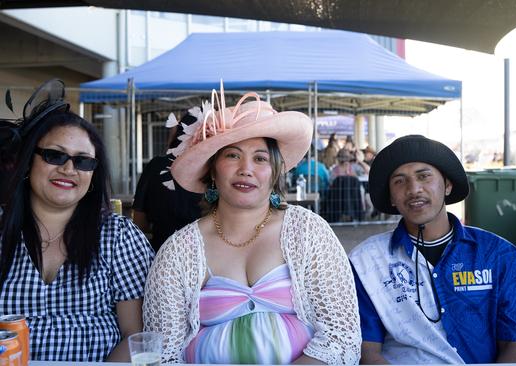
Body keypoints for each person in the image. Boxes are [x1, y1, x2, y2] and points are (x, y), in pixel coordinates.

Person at [142, 88, 361, 364]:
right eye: (232, 155)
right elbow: (163, 352)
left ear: (276, 171)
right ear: (212, 169)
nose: (246, 169)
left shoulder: (306, 232)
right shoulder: (179, 250)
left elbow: (341, 337)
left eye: (260, 158)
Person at [0, 79, 154, 361]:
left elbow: (137, 335)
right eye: (54, 155)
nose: (69, 169)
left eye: (83, 161)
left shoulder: (118, 236)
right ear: (28, 161)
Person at [349, 134, 516, 364]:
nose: (414, 189)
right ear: (392, 198)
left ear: (447, 185)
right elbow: (368, 351)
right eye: (399, 181)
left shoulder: (499, 254)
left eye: (424, 176)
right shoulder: (366, 261)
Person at [132, 113, 203, 251]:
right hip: (207, 259)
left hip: (160, 252)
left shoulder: (156, 166)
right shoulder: (215, 170)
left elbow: (139, 223)